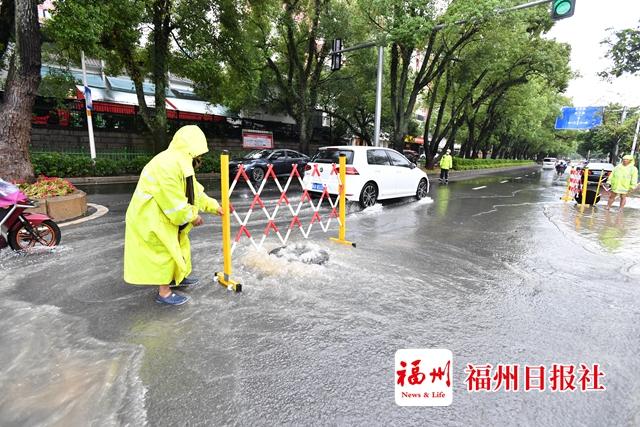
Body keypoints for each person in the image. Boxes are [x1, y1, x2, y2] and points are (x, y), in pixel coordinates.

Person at [124, 125, 222, 305]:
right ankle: (164, 292)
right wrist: (192, 216)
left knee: (178, 245)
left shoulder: (181, 162)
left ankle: (178, 278)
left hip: (161, 214)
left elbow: (194, 192)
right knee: (165, 251)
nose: (200, 159)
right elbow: (174, 203)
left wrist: (215, 206)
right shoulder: (168, 164)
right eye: (199, 155)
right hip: (150, 216)